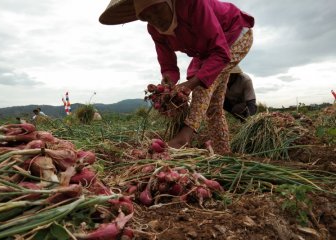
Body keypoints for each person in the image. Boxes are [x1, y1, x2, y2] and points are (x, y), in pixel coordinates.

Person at [99, 0, 254, 154]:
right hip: (207, 51)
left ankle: (185, 136)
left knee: (201, 84)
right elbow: (168, 65)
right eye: (146, 17)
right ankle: (224, 153)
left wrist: (190, 84)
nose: (155, 19)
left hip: (236, 33)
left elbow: (220, 52)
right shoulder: (154, 29)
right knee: (213, 108)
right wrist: (168, 87)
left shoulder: (193, 5)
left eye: (157, 9)